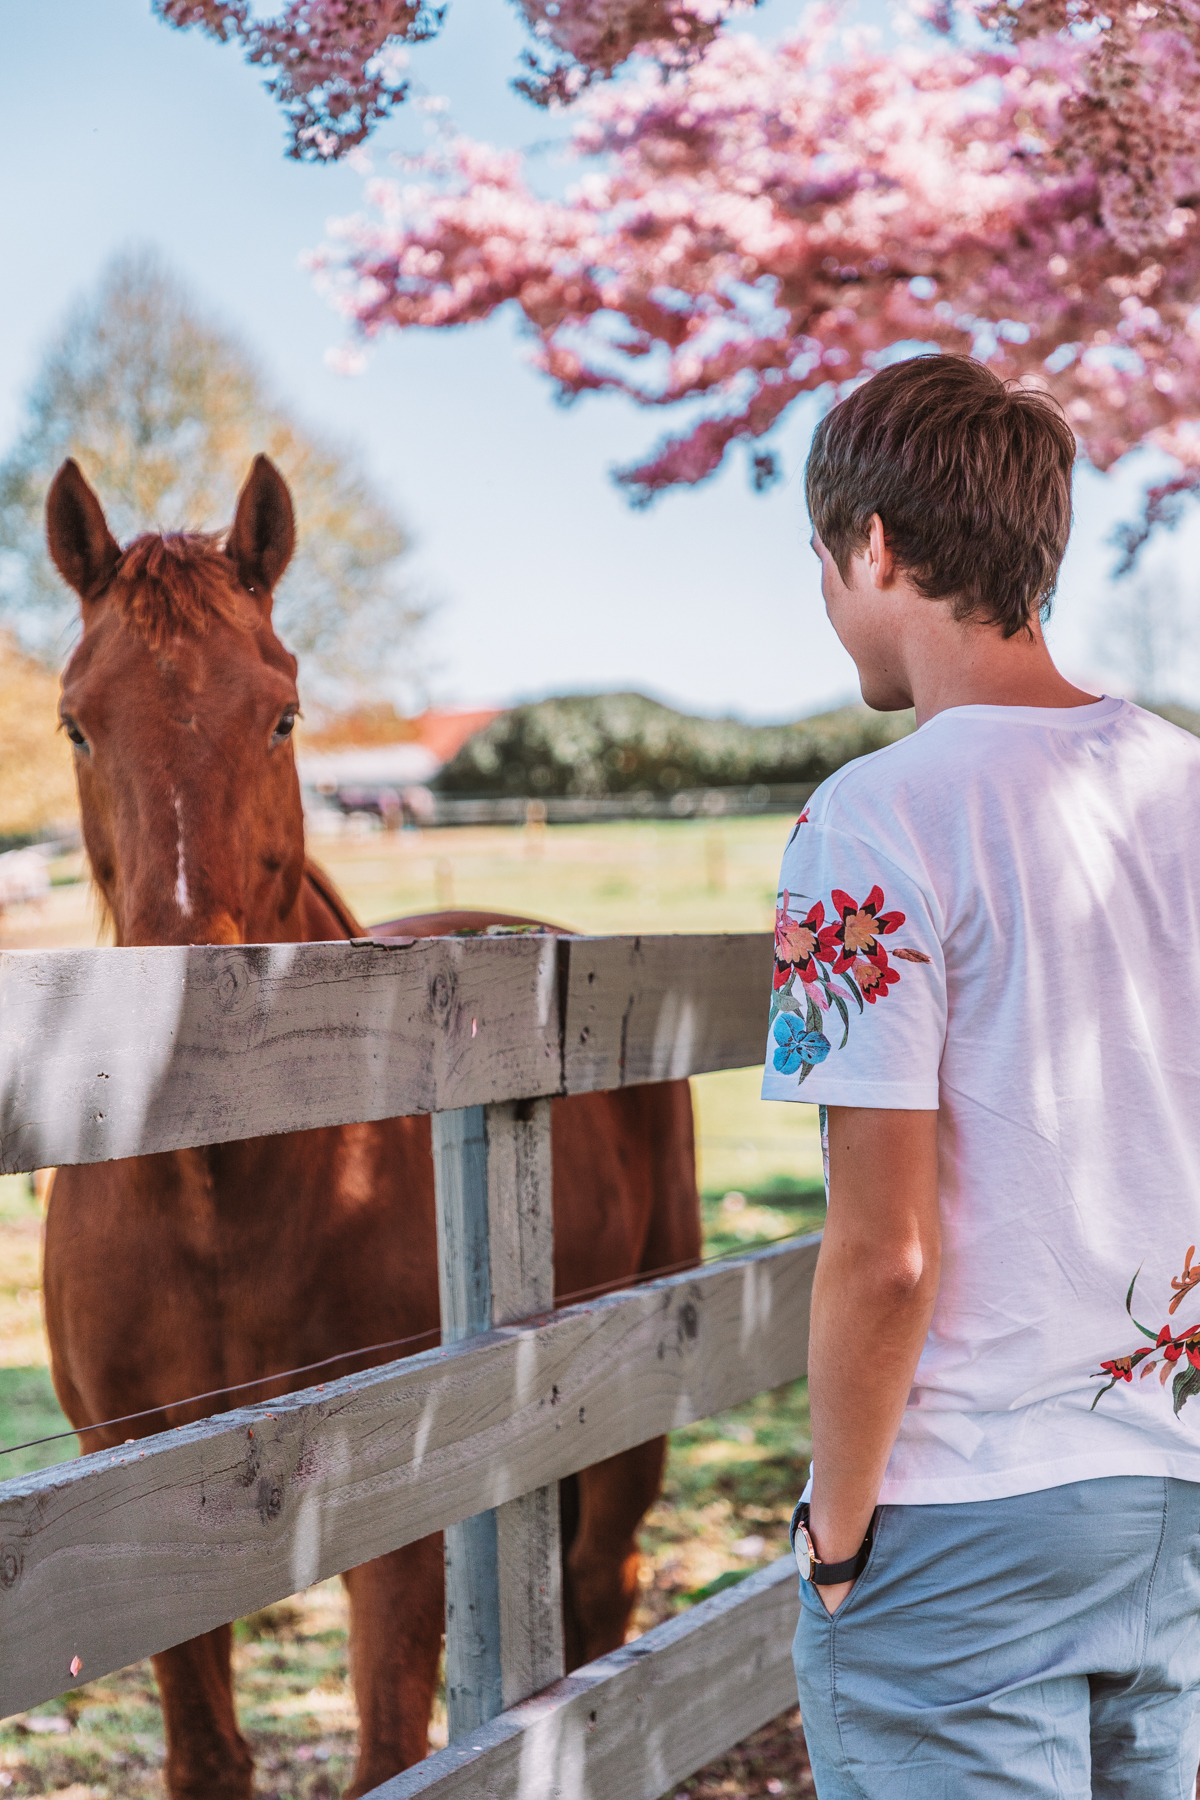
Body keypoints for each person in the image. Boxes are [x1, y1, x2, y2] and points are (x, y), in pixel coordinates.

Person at [762, 352, 1200, 1799]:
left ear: (874, 548)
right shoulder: (1185, 787)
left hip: (965, 1517)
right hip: (1171, 1495)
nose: (830, 605)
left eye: (825, 565)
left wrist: (836, 1534)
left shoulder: (870, 823)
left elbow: (884, 1253)